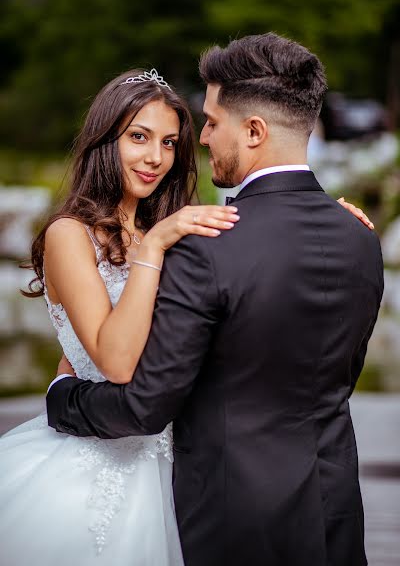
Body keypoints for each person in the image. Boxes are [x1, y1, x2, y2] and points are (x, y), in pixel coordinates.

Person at [44, 34, 383, 566]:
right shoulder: (358, 238)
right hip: (332, 506)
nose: (201, 139)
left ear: (254, 131)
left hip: (231, 513)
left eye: (208, 123)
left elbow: (144, 404)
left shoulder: (203, 246)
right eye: (139, 137)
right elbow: (336, 370)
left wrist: (62, 397)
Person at [0, 67, 241, 566]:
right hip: (90, 466)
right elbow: (116, 361)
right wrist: (154, 246)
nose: (156, 158)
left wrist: (326, 221)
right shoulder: (71, 235)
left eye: (170, 143)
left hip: (174, 463)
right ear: (104, 140)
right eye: (139, 137)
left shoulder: (172, 230)